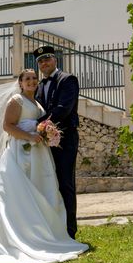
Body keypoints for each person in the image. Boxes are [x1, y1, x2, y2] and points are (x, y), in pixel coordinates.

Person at [0, 69, 88, 263]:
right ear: (20, 83)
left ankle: (43, 232)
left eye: (34, 78)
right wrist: (30, 136)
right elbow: (7, 126)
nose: (32, 81)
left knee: (39, 191)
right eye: (27, 79)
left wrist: (44, 133)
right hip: (21, 153)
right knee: (20, 194)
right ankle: (19, 234)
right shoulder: (16, 100)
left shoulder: (37, 103)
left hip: (37, 153)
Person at [33, 46, 80, 239]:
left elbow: (63, 109)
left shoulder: (68, 80)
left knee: (65, 183)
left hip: (65, 139)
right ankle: (53, 229)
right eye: (40, 61)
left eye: (47, 58)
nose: (44, 63)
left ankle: (70, 231)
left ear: (55, 60)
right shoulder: (39, 85)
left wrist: (37, 125)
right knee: (47, 184)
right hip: (44, 142)